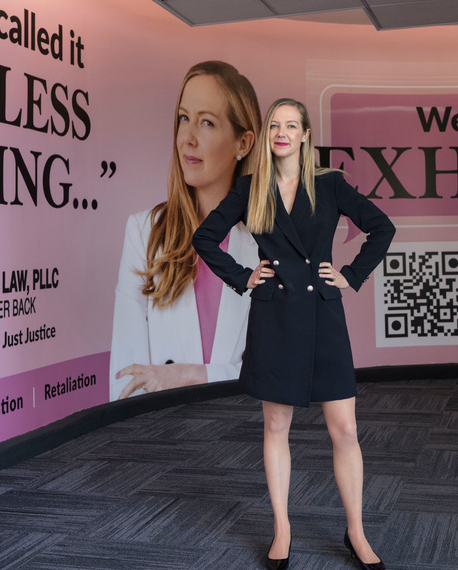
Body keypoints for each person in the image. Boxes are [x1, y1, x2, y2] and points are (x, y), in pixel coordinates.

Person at [193, 98, 395, 570]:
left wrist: (351, 274)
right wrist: (243, 276)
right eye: (274, 125)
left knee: (344, 429)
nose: (281, 132)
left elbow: (381, 228)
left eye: (291, 125)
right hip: (275, 316)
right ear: (267, 135)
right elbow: (205, 237)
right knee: (275, 426)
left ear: (305, 134)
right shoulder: (250, 187)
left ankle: (356, 533)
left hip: (324, 317)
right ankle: (282, 530)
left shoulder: (329, 185)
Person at [109, 61, 262, 401]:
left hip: (248, 439)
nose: (187, 138)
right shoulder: (144, 233)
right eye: (183, 118)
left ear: (243, 143)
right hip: (167, 443)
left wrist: (192, 375)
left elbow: (290, 373)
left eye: (206, 122)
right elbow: (125, 379)